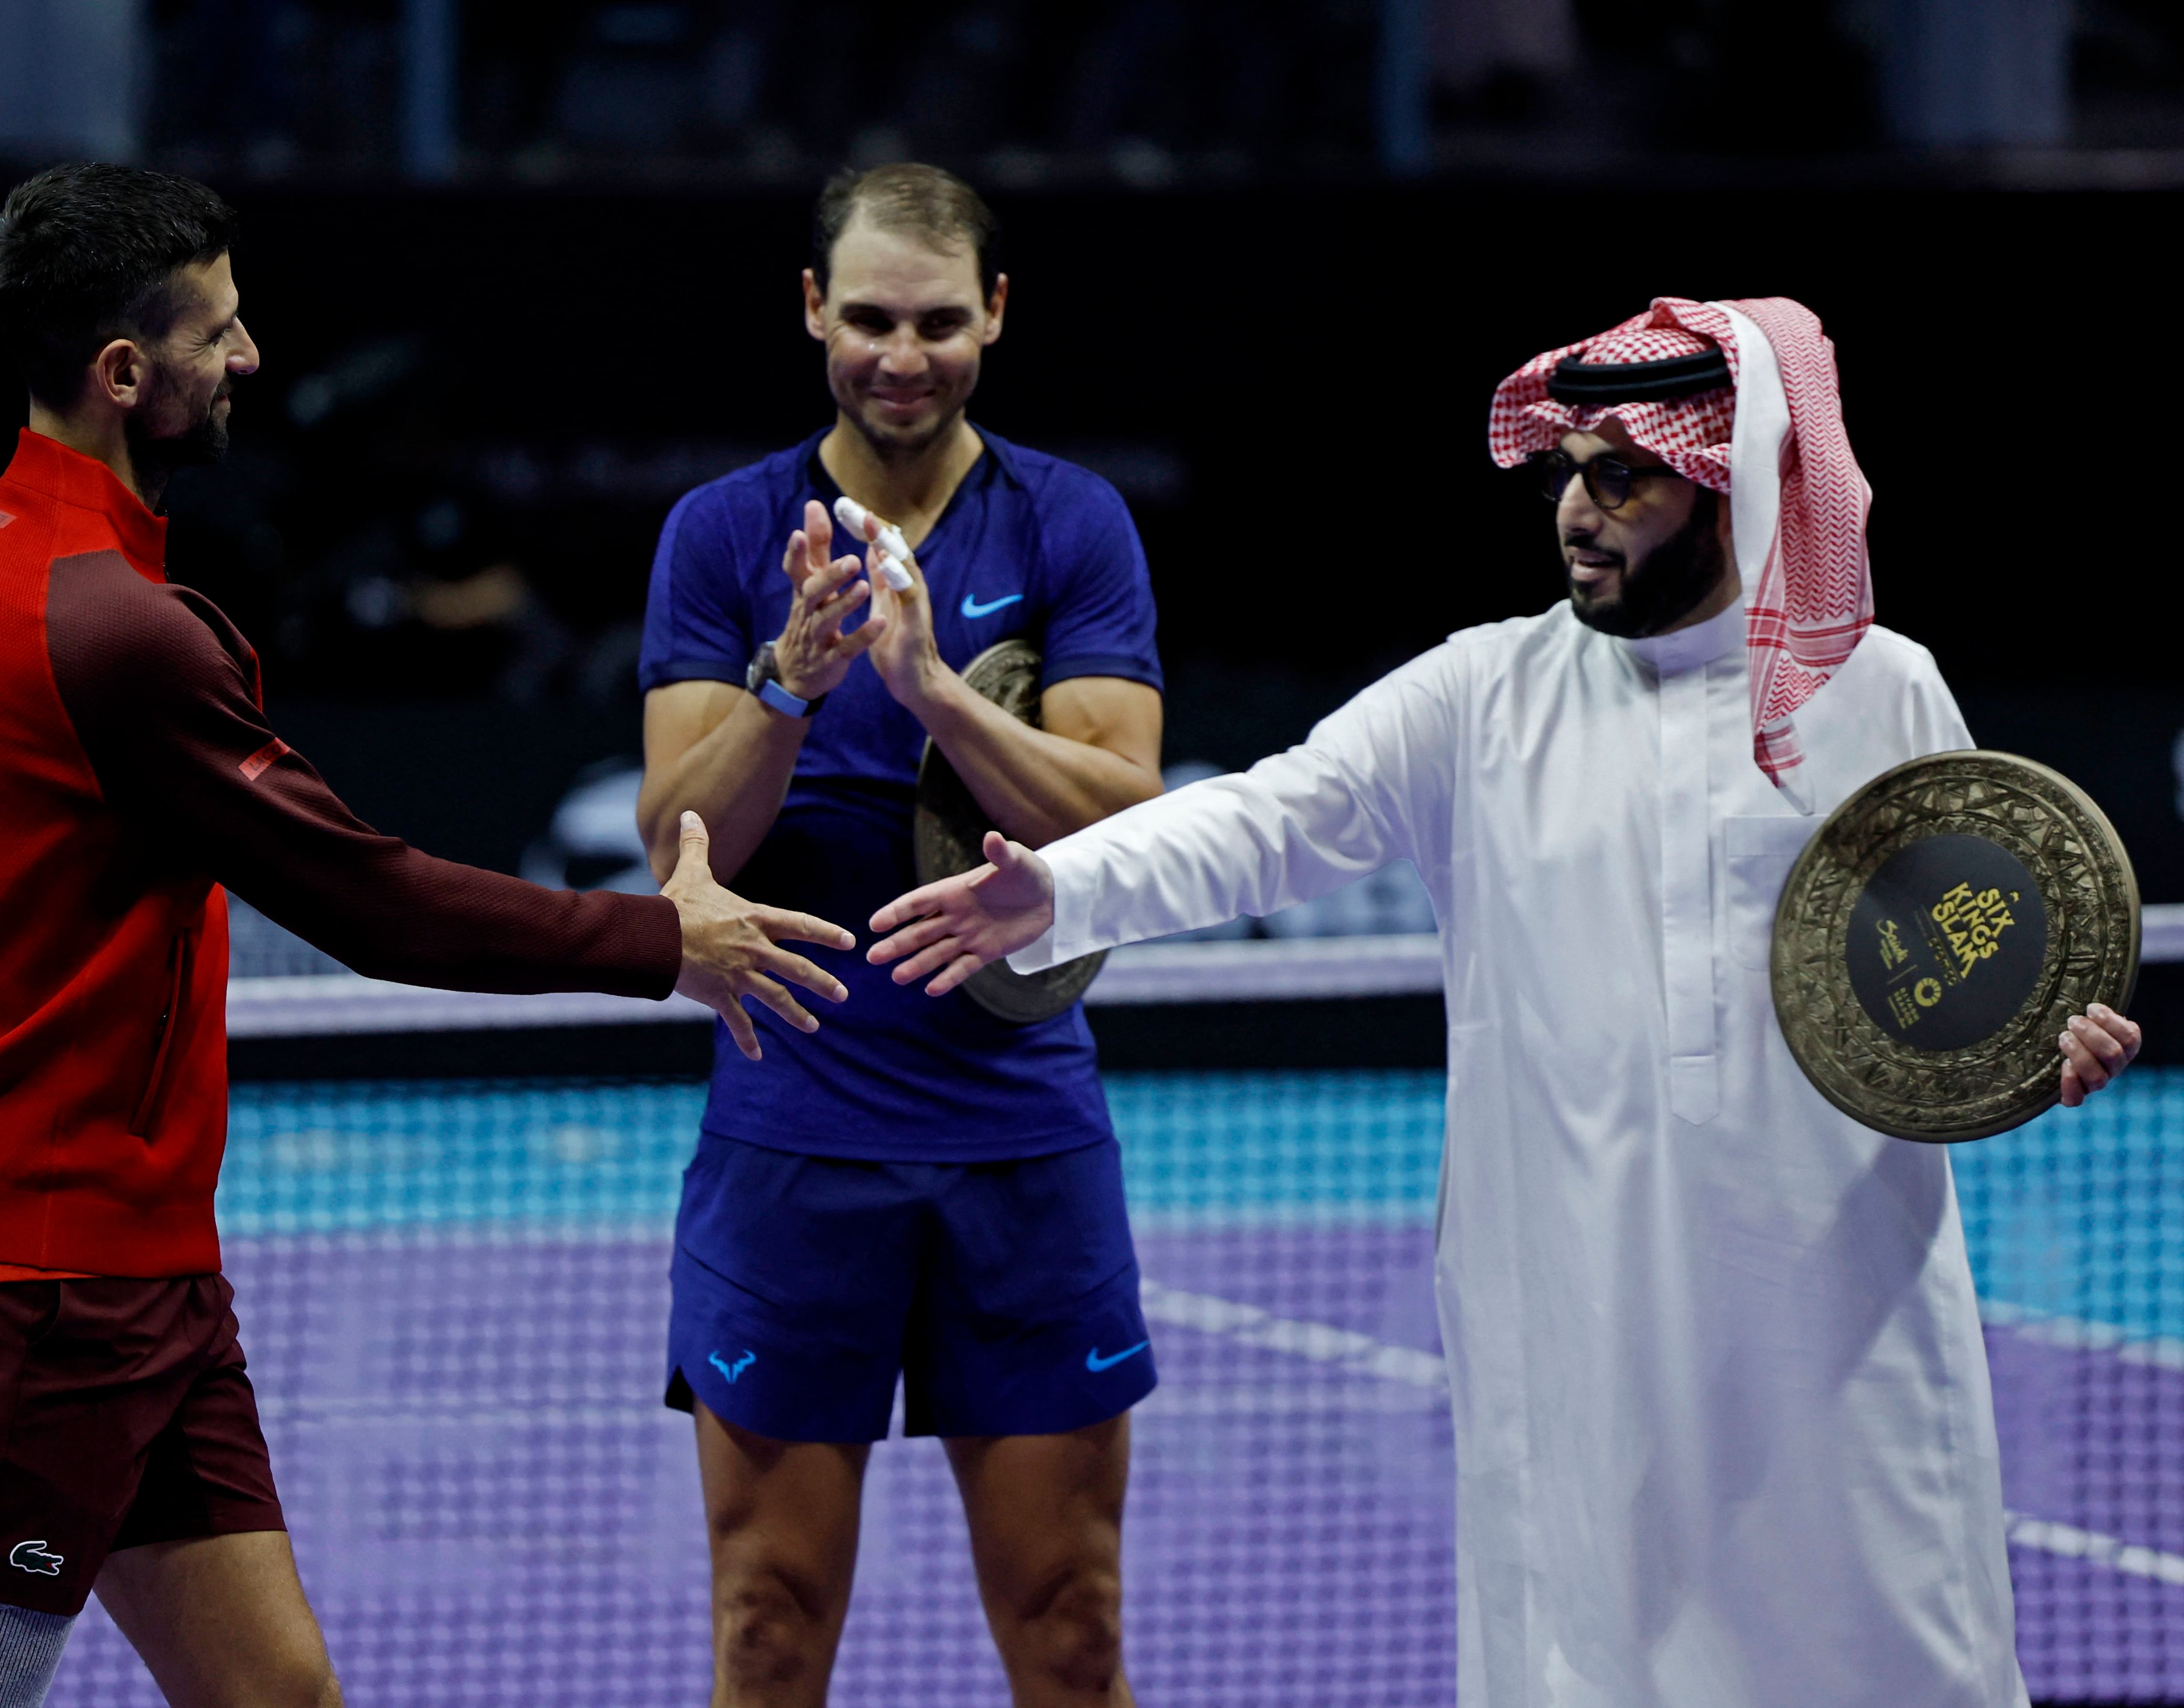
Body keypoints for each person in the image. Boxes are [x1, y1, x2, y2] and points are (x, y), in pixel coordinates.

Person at [0, 161, 853, 1708]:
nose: (252, 359)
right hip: (38, 1298)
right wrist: (656, 941)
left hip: (148, 1284)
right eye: (219, 333)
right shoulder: (114, 630)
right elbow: (370, 897)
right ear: (124, 373)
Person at [866, 297, 2145, 1707]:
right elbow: (1269, 816)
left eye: (1624, 475)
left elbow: (1978, 954)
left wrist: (2050, 1038)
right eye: (1567, 473)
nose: (1577, 513)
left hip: (1834, 1326)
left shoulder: (1883, 693)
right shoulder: (1483, 696)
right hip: (1579, 1321)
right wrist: (1063, 890)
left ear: (1726, 492)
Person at [632, 163, 1166, 1708]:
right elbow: (686, 851)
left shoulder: (1072, 524)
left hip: (1021, 1132)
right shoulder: (726, 533)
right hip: (796, 1132)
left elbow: (1122, 821)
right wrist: (790, 687)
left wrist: (930, 686)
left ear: (995, 314)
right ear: (813, 311)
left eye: (938, 321)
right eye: (867, 317)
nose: (900, 355)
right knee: (770, 1625)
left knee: (1072, 1623)